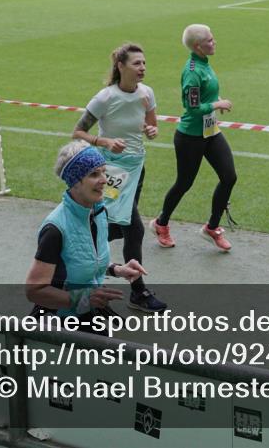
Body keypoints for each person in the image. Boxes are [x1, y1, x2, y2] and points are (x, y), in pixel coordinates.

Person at [72, 42, 166, 313]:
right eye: (137, 63)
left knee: (114, 227)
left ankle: (85, 274)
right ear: (121, 66)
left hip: (136, 169)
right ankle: (136, 291)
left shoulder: (146, 93)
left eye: (144, 63)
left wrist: (151, 131)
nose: (143, 68)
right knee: (130, 228)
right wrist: (105, 141)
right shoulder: (105, 97)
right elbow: (78, 132)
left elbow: (152, 126)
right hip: (110, 172)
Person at [25, 141, 148, 330]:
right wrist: (82, 298)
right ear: (75, 182)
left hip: (89, 311)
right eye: (94, 174)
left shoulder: (98, 212)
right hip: (59, 321)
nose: (104, 180)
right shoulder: (55, 229)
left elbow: (82, 259)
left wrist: (117, 269)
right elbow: (35, 291)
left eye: (103, 172)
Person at [150, 24, 236, 252]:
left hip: (210, 132)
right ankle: (161, 224)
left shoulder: (204, 64)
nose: (214, 41)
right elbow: (192, 107)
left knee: (229, 177)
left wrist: (216, 99)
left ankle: (212, 227)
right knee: (184, 183)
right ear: (198, 46)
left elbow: (206, 94)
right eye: (209, 40)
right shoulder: (192, 71)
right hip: (190, 137)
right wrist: (217, 104)